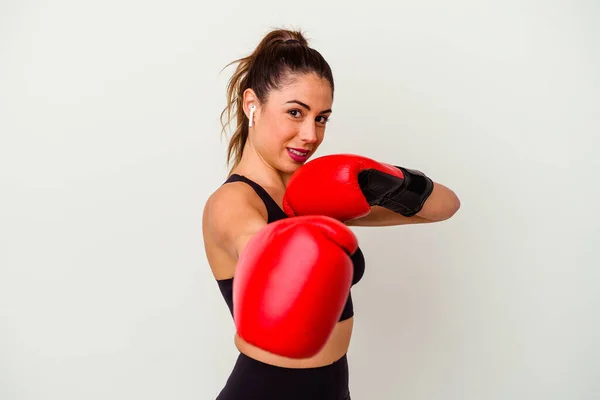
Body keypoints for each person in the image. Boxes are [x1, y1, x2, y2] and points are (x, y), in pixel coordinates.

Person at [202, 28, 460, 400]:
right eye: (295, 112)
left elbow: (445, 207)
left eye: (321, 118)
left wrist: (386, 183)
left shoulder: (313, 192)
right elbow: (261, 252)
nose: (310, 134)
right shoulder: (233, 202)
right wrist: (307, 249)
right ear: (251, 105)